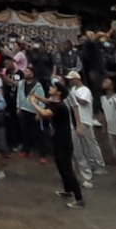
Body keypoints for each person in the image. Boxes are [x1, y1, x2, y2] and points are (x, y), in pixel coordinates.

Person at [28, 79, 84, 208]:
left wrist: (33, 103)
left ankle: (79, 198)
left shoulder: (59, 106)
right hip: (58, 140)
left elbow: (44, 113)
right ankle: (68, 190)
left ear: (58, 92)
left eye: (53, 87)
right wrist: (37, 97)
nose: (50, 88)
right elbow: (48, 102)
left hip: (64, 141)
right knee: (60, 165)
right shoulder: (56, 103)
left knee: (67, 169)